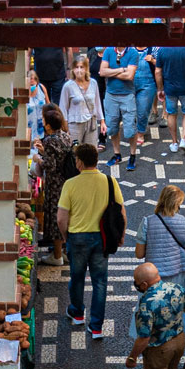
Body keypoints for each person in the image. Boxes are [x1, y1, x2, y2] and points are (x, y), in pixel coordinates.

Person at [57, 144, 120, 339]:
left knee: (77, 278)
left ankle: (77, 314)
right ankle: (96, 327)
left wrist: (65, 237)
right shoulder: (110, 181)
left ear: (80, 162)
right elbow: (121, 212)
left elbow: (61, 219)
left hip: (77, 238)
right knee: (100, 282)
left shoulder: (70, 184)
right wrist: (120, 236)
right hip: (102, 238)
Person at [135, 184, 185, 298]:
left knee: (153, 305)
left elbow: (139, 254)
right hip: (178, 272)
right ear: (177, 204)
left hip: (153, 276)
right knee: (178, 304)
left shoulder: (147, 222)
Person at [33, 104, 75, 261]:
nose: (43, 123)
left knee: (56, 217)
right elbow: (59, 156)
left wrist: (38, 158)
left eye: (44, 121)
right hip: (67, 181)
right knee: (66, 216)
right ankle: (64, 251)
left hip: (55, 184)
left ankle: (56, 256)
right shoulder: (65, 136)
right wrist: (44, 151)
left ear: (49, 125)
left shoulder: (50, 140)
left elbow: (50, 166)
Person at [99, 45, 149, 169]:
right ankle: (117, 154)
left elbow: (129, 76)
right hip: (111, 95)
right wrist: (121, 69)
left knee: (130, 129)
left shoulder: (133, 53)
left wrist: (110, 72)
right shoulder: (109, 51)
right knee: (112, 127)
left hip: (127, 95)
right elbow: (102, 72)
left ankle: (132, 155)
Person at [153, 46, 185, 155]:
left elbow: (158, 71)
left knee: (171, 114)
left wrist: (160, 89)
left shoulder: (162, 50)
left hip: (170, 89)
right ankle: (184, 139)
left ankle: (174, 143)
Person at [58, 58, 102, 147]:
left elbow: (97, 103)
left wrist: (102, 121)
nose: (79, 70)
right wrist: (65, 128)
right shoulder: (68, 86)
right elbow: (63, 108)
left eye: (81, 67)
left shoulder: (93, 83)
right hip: (75, 124)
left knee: (91, 150)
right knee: (75, 150)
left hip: (91, 123)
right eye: (76, 67)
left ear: (86, 69)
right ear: (73, 70)